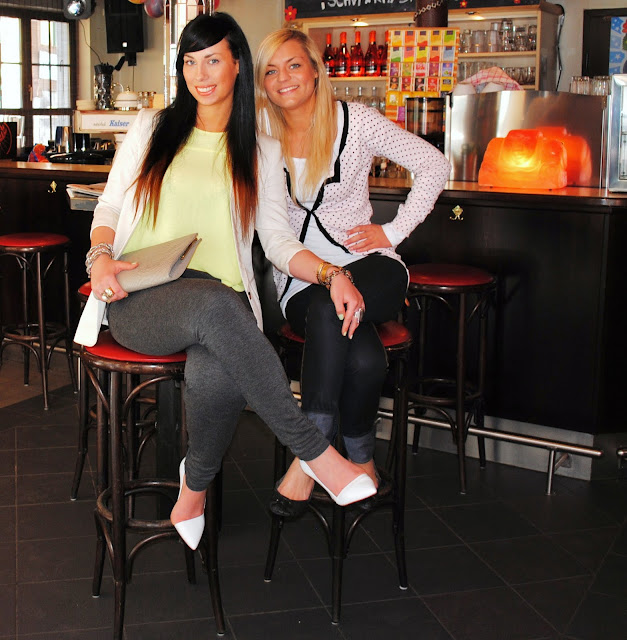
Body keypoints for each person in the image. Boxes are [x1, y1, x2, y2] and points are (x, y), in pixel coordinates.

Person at [74, 13, 377, 551]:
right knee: (220, 310)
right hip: (143, 294)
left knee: (217, 366)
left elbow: (278, 242)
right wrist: (99, 258)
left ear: (238, 64)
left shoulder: (261, 149)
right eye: (190, 62)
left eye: (212, 59)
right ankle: (316, 453)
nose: (200, 74)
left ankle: (192, 491)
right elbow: (111, 206)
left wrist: (332, 274)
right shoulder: (151, 127)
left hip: (221, 305)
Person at [254, 28, 450, 516]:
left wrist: (393, 231)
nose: (284, 78)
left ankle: (309, 457)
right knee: (356, 349)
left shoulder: (355, 121)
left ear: (315, 69)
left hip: (370, 265)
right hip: (302, 276)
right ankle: (360, 459)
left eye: (293, 65)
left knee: (335, 314)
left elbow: (434, 164)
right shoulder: (258, 130)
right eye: (271, 70)